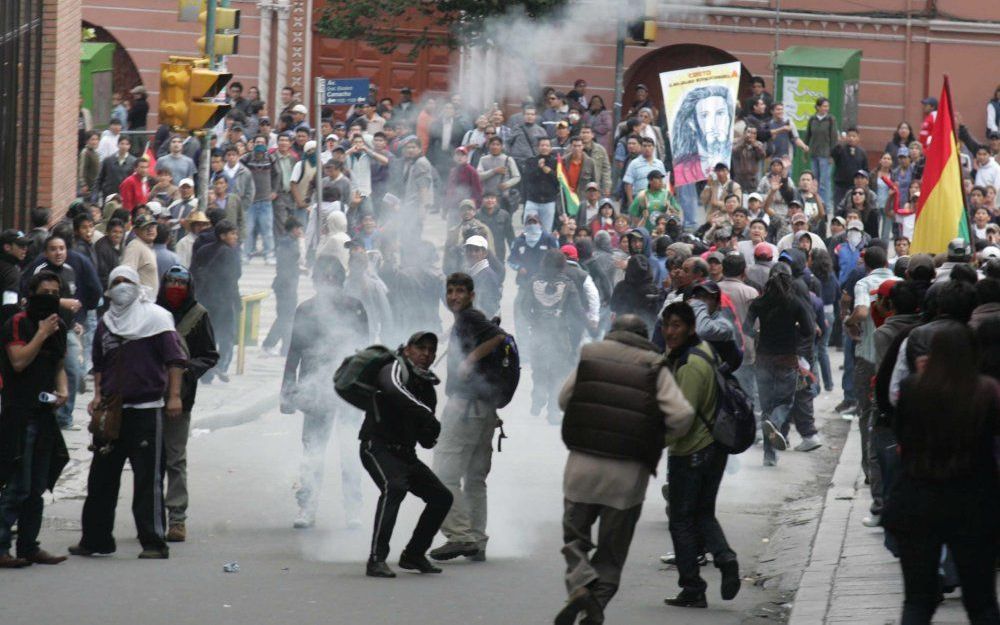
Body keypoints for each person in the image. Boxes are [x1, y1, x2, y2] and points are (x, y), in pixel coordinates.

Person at [555, 314, 694, 623]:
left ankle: (579, 585)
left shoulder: (590, 355)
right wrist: (655, 434)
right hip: (627, 477)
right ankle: (595, 606)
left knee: (574, 540)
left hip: (582, 470)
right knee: (611, 553)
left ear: (613, 333)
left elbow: (564, 400)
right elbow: (682, 416)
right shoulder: (655, 366)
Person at [885, 326, 1000, 624]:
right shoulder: (987, 392)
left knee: (917, 601)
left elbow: (902, 436)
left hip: (917, 500)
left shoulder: (913, 388)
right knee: (982, 602)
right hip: (973, 502)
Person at [70, 266, 186, 559]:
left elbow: (175, 361)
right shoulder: (108, 323)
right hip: (113, 413)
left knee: (148, 480)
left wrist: (173, 397)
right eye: (116, 282)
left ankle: (153, 542)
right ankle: (96, 540)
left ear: (137, 286)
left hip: (147, 412)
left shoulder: (157, 319)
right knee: (101, 479)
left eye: (127, 282)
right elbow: (99, 364)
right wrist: (97, 396)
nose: (121, 287)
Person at [661, 301, 742, 608]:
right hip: (711, 448)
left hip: (692, 451)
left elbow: (682, 417)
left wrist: (655, 443)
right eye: (667, 325)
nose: (670, 332)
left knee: (681, 520)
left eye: (677, 325)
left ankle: (692, 587)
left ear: (691, 328)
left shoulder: (691, 365)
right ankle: (725, 558)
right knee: (703, 512)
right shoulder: (700, 352)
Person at [281, 256, 368, 530]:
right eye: (323, 277)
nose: (328, 282)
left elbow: (365, 351)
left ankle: (353, 509)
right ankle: (307, 506)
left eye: (333, 277)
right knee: (312, 452)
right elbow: (293, 350)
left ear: (340, 280)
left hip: (348, 391)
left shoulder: (355, 308)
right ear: (317, 280)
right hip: (315, 389)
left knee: (351, 452)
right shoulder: (305, 310)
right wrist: (287, 390)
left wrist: (368, 390)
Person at [358, 331, 453, 578]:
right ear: (408, 349)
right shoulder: (393, 368)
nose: (426, 354)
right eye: (420, 348)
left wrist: (432, 429)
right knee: (395, 487)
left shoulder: (427, 388)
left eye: (431, 350)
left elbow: (425, 441)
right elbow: (393, 390)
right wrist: (424, 414)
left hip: (405, 454)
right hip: (376, 446)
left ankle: (414, 554)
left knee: (442, 497)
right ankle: (376, 559)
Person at [429, 273, 507, 562]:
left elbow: (497, 336)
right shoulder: (466, 319)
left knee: (443, 475)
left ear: (471, 294)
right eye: (450, 291)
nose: (453, 297)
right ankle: (477, 539)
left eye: (460, 291)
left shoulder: (470, 317)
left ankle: (460, 536)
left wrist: (469, 360)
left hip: (465, 409)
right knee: (475, 478)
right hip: (484, 409)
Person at [0, 271, 70, 568]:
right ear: (32, 293)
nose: (50, 298)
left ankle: (29, 545)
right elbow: (18, 362)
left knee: (39, 485)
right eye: (45, 292)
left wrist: (63, 391)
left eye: (56, 293)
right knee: (18, 485)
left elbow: (58, 363)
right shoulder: (18, 323)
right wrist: (41, 333)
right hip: (19, 413)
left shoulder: (60, 326)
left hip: (44, 414)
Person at [154, 266, 218, 542]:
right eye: (171, 282)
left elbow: (209, 354)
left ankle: (176, 518)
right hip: (150, 395)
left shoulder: (198, 315)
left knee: (175, 458)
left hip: (182, 399)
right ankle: (152, 517)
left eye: (181, 283)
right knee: (151, 461)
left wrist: (186, 371)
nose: (175, 287)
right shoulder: (153, 313)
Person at [745, 264, 814, 466]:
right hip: (787, 359)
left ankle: (769, 455)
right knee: (785, 401)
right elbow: (809, 330)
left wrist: (758, 335)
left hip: (763, 358)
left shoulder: (759, 302)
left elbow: (746, 328)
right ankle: (775, 423)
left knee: (766, 405)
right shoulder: (795, 303)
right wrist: (795, 333)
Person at [190, 221, 242, 384]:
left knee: (208, 337)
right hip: (224, 301)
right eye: (232, 233)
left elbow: (194, 271)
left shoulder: (204, 249)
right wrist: (237, 301)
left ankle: (207, 372)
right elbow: (234, 278)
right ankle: (219, 365)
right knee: (226, 336)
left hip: (205, 299)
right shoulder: (230, 253)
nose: (235, 237)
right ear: (222, 236)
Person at [262, 218, 303, 357]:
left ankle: (283, 347)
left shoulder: (291, 242)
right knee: (285, 317)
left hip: (289, 284)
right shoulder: (287, 243)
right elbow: (286, 264)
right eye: (298, 228)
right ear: (292, 229)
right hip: (285, 285)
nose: (300, 231)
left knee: (286, 317)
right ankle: (272, 344)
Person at [121, 214, 160, 294]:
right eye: (146, 227)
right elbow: (126, 274)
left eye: (152, 226)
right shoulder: (135, 246)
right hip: (139, 302)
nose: (150, 230)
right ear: (136, 231)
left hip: (147, 302)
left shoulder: (145, 245)